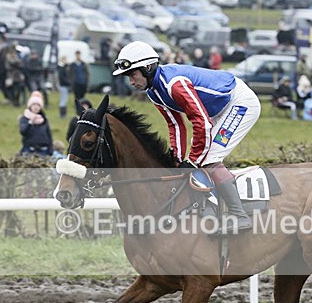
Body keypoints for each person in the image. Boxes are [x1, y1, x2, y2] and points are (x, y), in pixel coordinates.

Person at [113, 40, 261, 233]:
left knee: (209, 158)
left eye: (133, 74)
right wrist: (177, 160)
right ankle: (211, 206)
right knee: (196, 159)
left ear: (148, 68)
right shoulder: (154, 92)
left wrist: (192, 161)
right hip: (217, 110)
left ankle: (239, 215)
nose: (131, 82)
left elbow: (201, 122)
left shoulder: (175, 85)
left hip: (239, 102)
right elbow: (176, 125)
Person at [18, 90, 53, 157]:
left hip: (43, 151)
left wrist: (50, 149)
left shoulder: (44, 119)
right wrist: (30, 122)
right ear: (30, 106)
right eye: (34, 104)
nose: (36, 107)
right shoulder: (24, 118)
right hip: (29, 150)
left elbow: (49, 134)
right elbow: (23, 131)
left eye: (38, 105)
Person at [69, 50, 89, 114]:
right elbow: (70, 73)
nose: (78, 56)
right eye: (77, 54)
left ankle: (82, 108)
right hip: (76, 83)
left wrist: (87, 83)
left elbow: (87, 74)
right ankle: (77, 109)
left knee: (82, 97)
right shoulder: (73, 64)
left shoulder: (83, 64)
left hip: (83, 83)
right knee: (77, 97)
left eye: (79, 54)